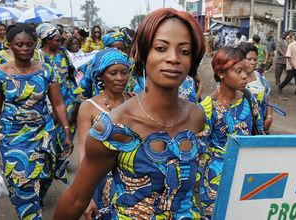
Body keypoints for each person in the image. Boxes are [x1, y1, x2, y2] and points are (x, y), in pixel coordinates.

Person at [54, 8, 206, 219]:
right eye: (161, 48)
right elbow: (75, 199)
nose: (173, 58)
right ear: (142, 55)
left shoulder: (196, 117)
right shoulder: (115, 127)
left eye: (185, 51)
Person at [0, 23, 73, 219]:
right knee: (21, 184)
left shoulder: (46, 70)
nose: (25, 49)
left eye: (29, 44)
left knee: (44, 178)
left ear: (35, 44)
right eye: (19, 44)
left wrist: (66, 131)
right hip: (13, 139)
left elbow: (59, 104)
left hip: (43, 135)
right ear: (10, 45)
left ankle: (37, 200)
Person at [199, 46, 262, 218]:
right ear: (221, 73)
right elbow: (198, 152)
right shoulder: (206, 108)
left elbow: (260, 134)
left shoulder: (250, 99)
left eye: (245, 71)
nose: (244, 76)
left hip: (246, 174)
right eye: (238, 71)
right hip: (217, 178)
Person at [77, 49, 134, 219]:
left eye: (124, 72)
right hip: (101, 180)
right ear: (101, 75)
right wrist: (85, 196)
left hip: (134, 181)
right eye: (113, 73)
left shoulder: (135, 101)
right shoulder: (88, 107)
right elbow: (84, 153)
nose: (120, 78)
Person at [36, 23, 78, 153]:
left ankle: (64, 154)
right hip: (49, 97)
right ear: (47, 40)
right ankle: (54, 156)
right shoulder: (38, 56)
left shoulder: (63, 52)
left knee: (69, 124)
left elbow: (72, 72)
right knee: (52, 126)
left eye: (61, 40)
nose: (60, 43)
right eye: (57, 40)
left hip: (67, 94)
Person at [240, 42, 273, 133]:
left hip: (260, 128)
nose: (253, 63)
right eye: (249, 59)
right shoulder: (235, 79)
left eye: (255, 59)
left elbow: (268, 99)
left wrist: (269, 118)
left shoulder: (260, 78)